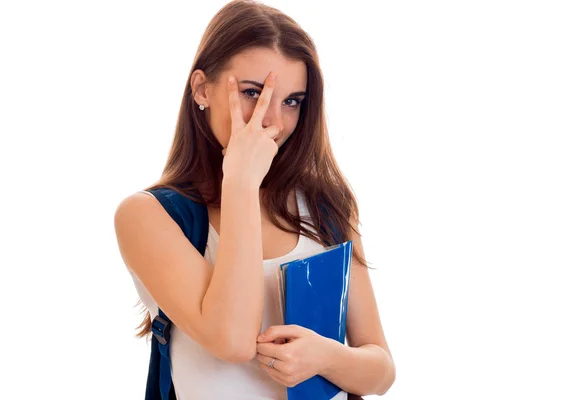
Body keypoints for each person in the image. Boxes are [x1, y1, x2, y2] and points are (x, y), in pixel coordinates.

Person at [113, 0, 396, 398]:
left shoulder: (324, 204)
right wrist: (242, 184)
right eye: (253, 93)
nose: (274, 122)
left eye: (291, 101)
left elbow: (380, 370)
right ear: (201, 89)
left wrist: (327, 357)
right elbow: (233, 341)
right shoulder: (148, 216)